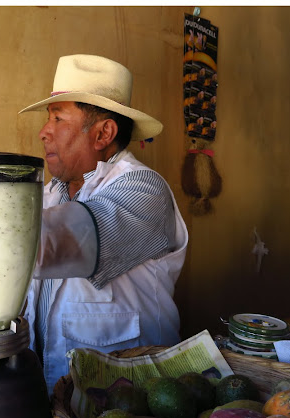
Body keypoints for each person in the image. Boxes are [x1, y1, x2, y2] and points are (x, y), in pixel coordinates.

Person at [19, 54, 188, 393]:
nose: (44, 132)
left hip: (131, 403)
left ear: (103, 133)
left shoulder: (145, 190)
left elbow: (54, 243)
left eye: (58, 118)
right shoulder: (52, 194)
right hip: (56, 400)